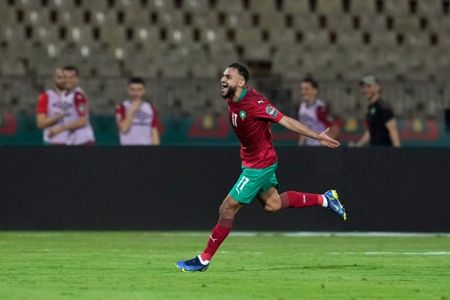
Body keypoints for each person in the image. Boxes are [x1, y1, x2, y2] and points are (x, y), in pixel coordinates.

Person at [176, 63, 346, 272]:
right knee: (273, 204)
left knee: (226, 208)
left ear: (241, 82)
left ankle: (204, 259)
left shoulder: (255, 103)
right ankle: (325, 199)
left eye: (228, 76)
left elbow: (285, 121)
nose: (223, 79)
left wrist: (317, 136)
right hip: (252, 160)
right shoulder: (232, 97)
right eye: (222, 75)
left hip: (259, 164)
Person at [45, 66, 95, 145]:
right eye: (65, 77)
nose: (67, 80)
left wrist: (60, 129)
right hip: (71, 140)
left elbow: (83, 121)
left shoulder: (78, 96)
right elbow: (64, 115)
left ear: (77, 79)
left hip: (83, 140)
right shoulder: (64, 95)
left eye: (71, 78)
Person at [351, 75, 401, 147]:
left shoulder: (383, 106)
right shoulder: (371, 107)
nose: (365, 90)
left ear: (378, 87)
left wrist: (397, 150)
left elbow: (392, 129)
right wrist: (358, 145)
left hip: (384, 151)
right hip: (374, 150)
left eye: (369, 86)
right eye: (363, 87)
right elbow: (371, 130)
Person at [115, 77, 160, 145]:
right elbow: (124, 129)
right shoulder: (122, 107)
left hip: (146, 151)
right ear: (128, 90)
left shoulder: (150, 108)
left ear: (144, 91)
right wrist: (131, 111)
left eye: (139, 90)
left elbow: (154, 131)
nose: (136, 93)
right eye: (132, 90)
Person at [297, 77, 339, 146]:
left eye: (306, 89)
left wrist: (325, 145)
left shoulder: (320, 108)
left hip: (320, 148)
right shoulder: (302, 107)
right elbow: (302, 129)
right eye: (301, 89)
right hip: (309, 148)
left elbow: (335, 130)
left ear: (315, 91)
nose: (303, 92)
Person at [36, 68, 68, 145]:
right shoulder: (46, 96)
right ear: (54, 78)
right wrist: (57, 117)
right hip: (52, 142)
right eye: (59, 77)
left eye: (65, 78)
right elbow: (40, 123)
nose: (63, 81)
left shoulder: (75, 96)